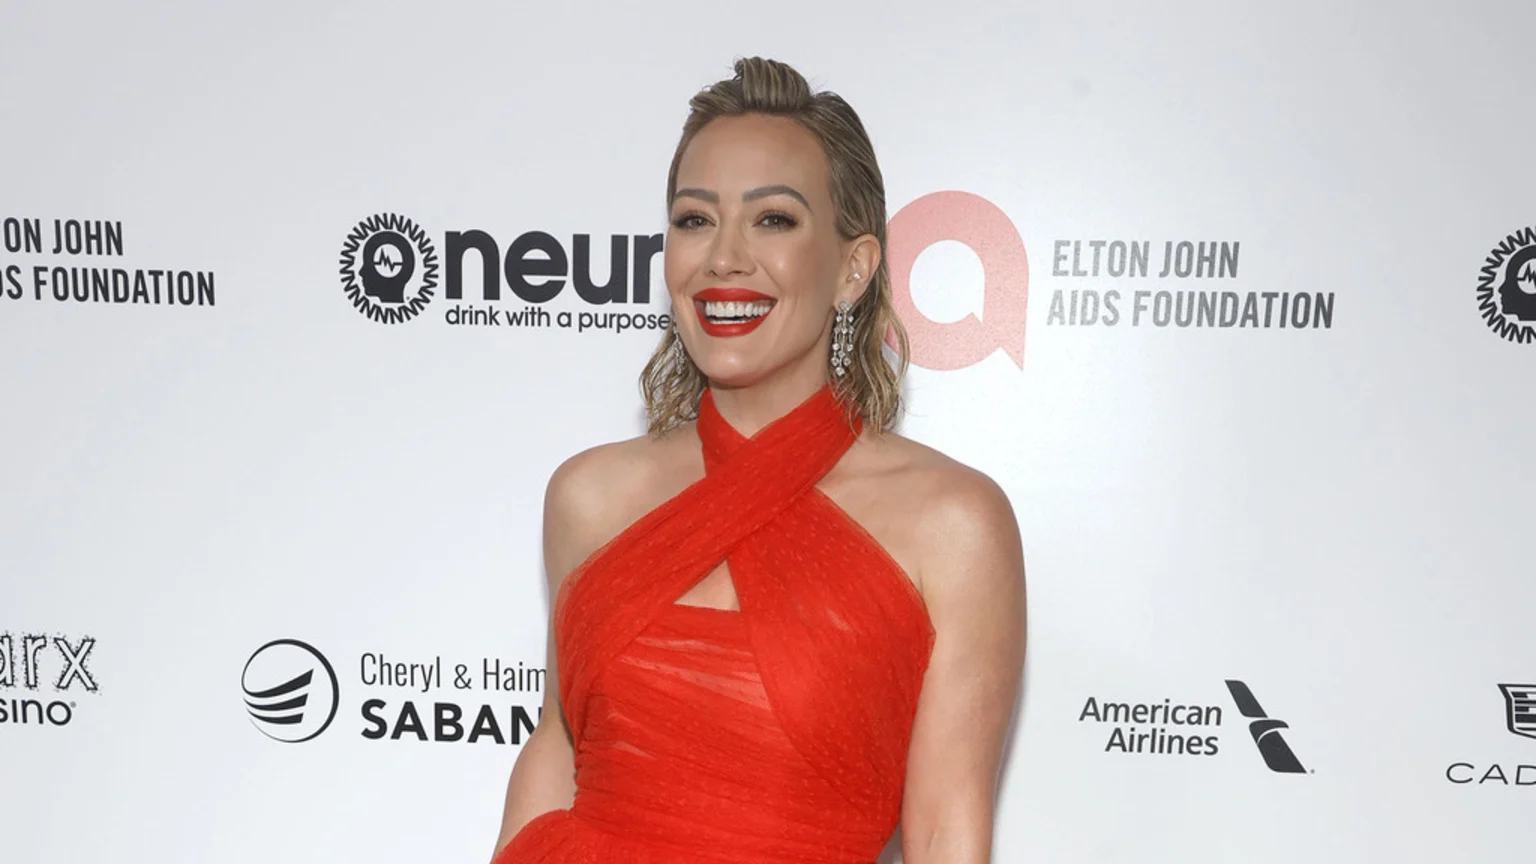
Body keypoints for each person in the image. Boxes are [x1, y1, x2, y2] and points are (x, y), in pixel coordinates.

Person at [489, 57, 1026, 864]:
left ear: (854, 267)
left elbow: (948, 832)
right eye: (694, 220)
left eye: (773, 220)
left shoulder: (952, 523)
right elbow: (556, 755)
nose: (723, 260)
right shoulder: (590, 495)